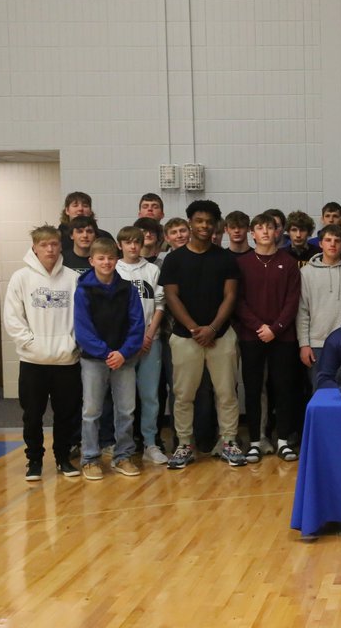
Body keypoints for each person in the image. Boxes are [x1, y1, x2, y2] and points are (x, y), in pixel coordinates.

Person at [159, 199, 246, 469]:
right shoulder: (174, 259)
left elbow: (230, 296)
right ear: (190, 224)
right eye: (199, 221)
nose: (204, 226)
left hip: (221, 336)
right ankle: (185, 444)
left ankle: (228, 441)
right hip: (186, 337)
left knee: (226, 393)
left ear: (215, 225)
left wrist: (213, 328)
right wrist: (196, 329)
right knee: (183, 394)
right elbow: (171, 297)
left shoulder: (225, 258)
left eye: (209, 221)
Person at [3, 225, 82, 481]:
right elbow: (13, 318)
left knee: (66, 414)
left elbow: (82, 317)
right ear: (34, 248)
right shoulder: (20, 278)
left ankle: (62, 458)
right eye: (44, 245)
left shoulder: (73, 278)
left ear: (61, 246)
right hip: (33, 361)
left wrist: (72, 343)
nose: (50, 249)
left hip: (66, 359)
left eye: (54, 244)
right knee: (32, 414)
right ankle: (34, 461)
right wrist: (31, 343)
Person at [74, 237, 145, 480]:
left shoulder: (129, 289)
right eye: (101, 258)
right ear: (92, 260)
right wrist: (106, 353)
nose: (106, 262)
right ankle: (90, 459)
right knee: (91, 410)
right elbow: (83, 330)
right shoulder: (83, 289)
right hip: (94, 359)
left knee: (126, 409)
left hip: (124, 358)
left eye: (110, 258)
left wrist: (123, 353)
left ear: (117, 260)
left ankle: (123, 456)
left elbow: (138, 325)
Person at [234, 212, 301, 463]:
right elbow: (238, 301)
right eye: (259, 228)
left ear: (276, 232)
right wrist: (259, 326)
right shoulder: (242, 263)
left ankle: (283, 440)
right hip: (252, 337)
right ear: (253, 233)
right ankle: (255, 440)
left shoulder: (289, 262)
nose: (264, 232)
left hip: (283, 337)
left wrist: (276, 327)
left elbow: (293, 300)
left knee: (283, 388)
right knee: (253, 389)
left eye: (269, 228)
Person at [116, 225, 167, 465]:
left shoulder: (152, 270)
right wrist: (131, 340)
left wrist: (149, 333)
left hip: (150, 342)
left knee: (150, 396)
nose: (133, 246)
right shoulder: (114, 269)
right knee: (124, 400)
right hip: (125, 345)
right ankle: (123, 447)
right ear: (120, 245)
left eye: (137, 242)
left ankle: (150, 443)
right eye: (128, 242)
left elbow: (160, 304)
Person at [297, 224, 341, 384]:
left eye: (337, 240)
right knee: (320, 392)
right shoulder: (306, 273)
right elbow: (302, 311)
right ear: (320, 243)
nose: (332, 244)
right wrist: (304, 344)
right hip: (318, 343)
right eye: (328, 240)